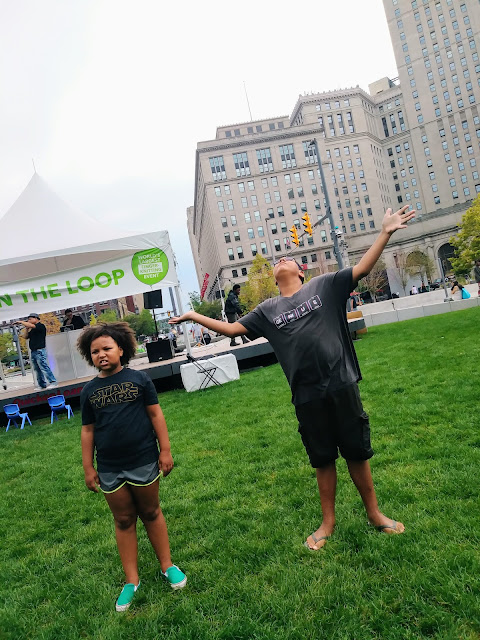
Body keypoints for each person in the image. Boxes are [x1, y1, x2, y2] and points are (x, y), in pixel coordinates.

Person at [169, 205, 415, 550]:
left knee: (357, 451)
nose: (280, 260)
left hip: (341, 383)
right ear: (274, 279)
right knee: (322, 458)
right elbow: (230, 328)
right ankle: (327, 523)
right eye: (275, 263)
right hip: (307, 395)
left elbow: (361, 268)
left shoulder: (323, 286)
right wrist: (195, 314)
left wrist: (385, 232)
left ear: (300, 271)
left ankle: (374, 513)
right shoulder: (267, 311)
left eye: (287, 259)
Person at [77, 322, 186, 612]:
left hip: (144, 460)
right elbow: (87, 431)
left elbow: (155, 414)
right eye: (95, 351)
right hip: (110, 467)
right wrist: (89, 468)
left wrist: (165, 450)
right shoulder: (88, 391)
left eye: (107, 348)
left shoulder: (139, 379)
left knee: (151, 512)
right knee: (124, 520)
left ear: (121, 350)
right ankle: (131, 580)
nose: (101, 354)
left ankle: (167, 565)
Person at [16, 313, 57, 390]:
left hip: (40, 350)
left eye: (30, 319)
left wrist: (21, 322)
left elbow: (32, 325)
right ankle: (42, 384)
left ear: (36, 318)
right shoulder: (32, 329)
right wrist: (27, 330)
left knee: (43, 367)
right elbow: (25, 337)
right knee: (37, 369)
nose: (29, 321)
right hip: (33, 351)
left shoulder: (40, 326)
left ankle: (53, 382)